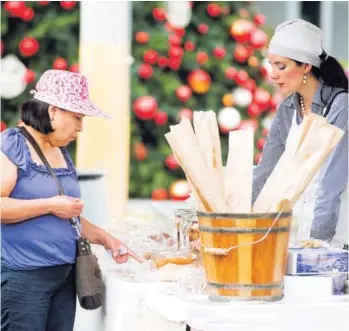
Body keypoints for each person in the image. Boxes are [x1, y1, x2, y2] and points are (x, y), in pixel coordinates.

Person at [1, 69, 142, 331]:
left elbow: (69, 216)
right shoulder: (12, 144)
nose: (80, 127)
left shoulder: (60, 151)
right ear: (53, 111)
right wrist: (50, 204)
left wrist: (105, 238)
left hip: (65, 275)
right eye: (77, 117)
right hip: (25, 278)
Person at [252, 19, 348, 248]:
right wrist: (237, 220)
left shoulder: (341, 105)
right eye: (271, 65)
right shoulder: (286, 109)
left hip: (335, 239)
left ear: (306, 66)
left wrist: (318, 240)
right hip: (300, 237)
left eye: (281, 66)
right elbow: (265, 171)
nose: (273, 75)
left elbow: (331, 182)